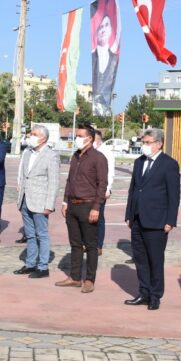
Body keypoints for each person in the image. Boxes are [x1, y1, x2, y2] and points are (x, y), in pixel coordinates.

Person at [124, 128, 180, 310]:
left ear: (159, 144)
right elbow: (133, 189)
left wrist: (170, 221)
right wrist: (129, 214)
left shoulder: (169, 164)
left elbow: (174, 195)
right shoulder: (139, 162)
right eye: (143, 142)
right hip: (138, 219)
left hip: (157, 220)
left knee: (155, 260)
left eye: (147, 142)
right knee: (140, 259)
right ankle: (143, 292)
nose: (144, 146)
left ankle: (155, 295)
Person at [57, 124, 108, 293]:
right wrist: (65, 202)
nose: (76, 139)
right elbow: (70, 181)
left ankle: (89, 280)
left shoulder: (98, 158)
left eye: (79, 136)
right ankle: (75, 277)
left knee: (91, 246)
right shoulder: (76, 156)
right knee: (75, 244)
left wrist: (96, 208)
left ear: (89, 138)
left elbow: (102, 185)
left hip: (88, 205)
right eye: (76, 135)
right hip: (72, 205)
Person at [15, 124, 60, 278]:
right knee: (30, 234)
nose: (30, 136)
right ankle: (30, 263)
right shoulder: (27, 153)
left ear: (43, 138)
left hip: (40, 202)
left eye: (33, 134)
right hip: (26, 200)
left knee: (42, 234)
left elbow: (54, 182)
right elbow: (23, 176)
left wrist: (49, 205)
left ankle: (43, 266)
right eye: (30, 133)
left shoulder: (51, 155)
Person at [93, 131, 115, 255]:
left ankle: (98, 245)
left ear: (99, 140)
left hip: (101, 189)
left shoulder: (106, 152)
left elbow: (110, 172)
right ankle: (89, 243)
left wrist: (108, 188)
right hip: (89, 189)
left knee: (99, 217)